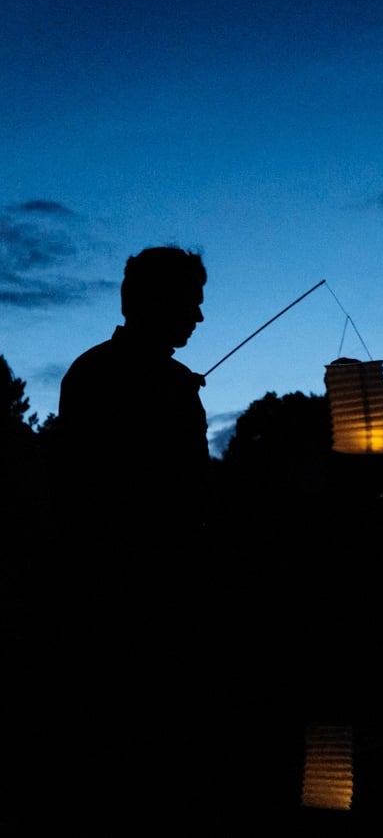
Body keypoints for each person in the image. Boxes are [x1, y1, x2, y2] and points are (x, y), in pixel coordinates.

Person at [45, 245, 216, 834]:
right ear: (157, 302)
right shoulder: (157, 386)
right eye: (191, 304)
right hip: (138, 614)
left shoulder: (88, 372)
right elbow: (184, 500)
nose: (198, 318)